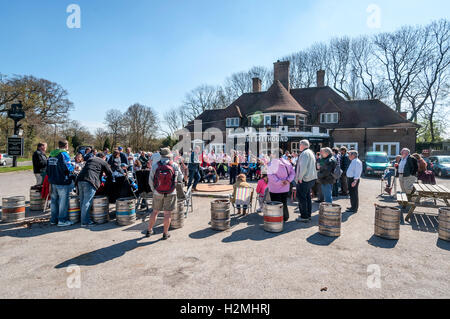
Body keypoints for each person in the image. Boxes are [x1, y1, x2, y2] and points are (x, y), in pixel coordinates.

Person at [146, 148, 184, 240]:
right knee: (167, 214)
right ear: (169, 155)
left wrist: (154, 190)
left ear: (161, 155)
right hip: (171, 192)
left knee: (155, 212)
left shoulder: (155, 165)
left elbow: (150, 180)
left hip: (157, 192)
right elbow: (180, 178)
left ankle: (149, 230)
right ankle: (165, 233)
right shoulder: (174, 165)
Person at [76, 153, 113, 227]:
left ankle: (83, 220)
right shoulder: (103, 161)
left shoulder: (90, 159)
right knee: (87, 201)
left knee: (82, 201)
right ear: (104, 157)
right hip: (90, 181)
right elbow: (110, 173)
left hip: (80, 179)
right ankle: (85, 222)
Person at [46, 140, 75, 227]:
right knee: (63, 202)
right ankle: (62, 220)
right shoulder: (64, 154)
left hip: (52, 181)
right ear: (66, 146)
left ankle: (53, 220)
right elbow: (67, 167)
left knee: (54, 201)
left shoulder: (51, 154)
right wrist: (74, 168)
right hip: (62, 181)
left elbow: (47, 168)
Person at [267, 153, 295, 222]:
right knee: (284, 202)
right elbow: (293, 173)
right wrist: (288, 180)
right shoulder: (287, 162)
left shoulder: (271, 163)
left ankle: (277, 218)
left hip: (275, 188)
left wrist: (279, 181)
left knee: (276, 204)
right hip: (285, 186)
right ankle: (285, 216)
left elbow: (270, 176)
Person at [295, 140, 318, 223]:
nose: (299, 146)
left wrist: (300, 178)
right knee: (307, 197)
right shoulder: (310, 152)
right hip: (310, 178)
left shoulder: (304, 153)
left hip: (304, 179)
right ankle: (307, 214)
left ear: (303, 145)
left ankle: (304, 216)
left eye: (299, 145)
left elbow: (303, 167)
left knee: (302, 197)